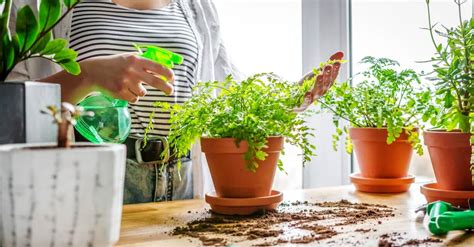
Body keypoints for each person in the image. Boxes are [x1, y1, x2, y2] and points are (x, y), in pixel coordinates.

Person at [8, 0, 343, 203]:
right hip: (93, 177)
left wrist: (285, 103)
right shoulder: (43, 7)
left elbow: (223, 91)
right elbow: (10, 109)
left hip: (182, 178)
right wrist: (87, 76)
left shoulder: (195, 7)